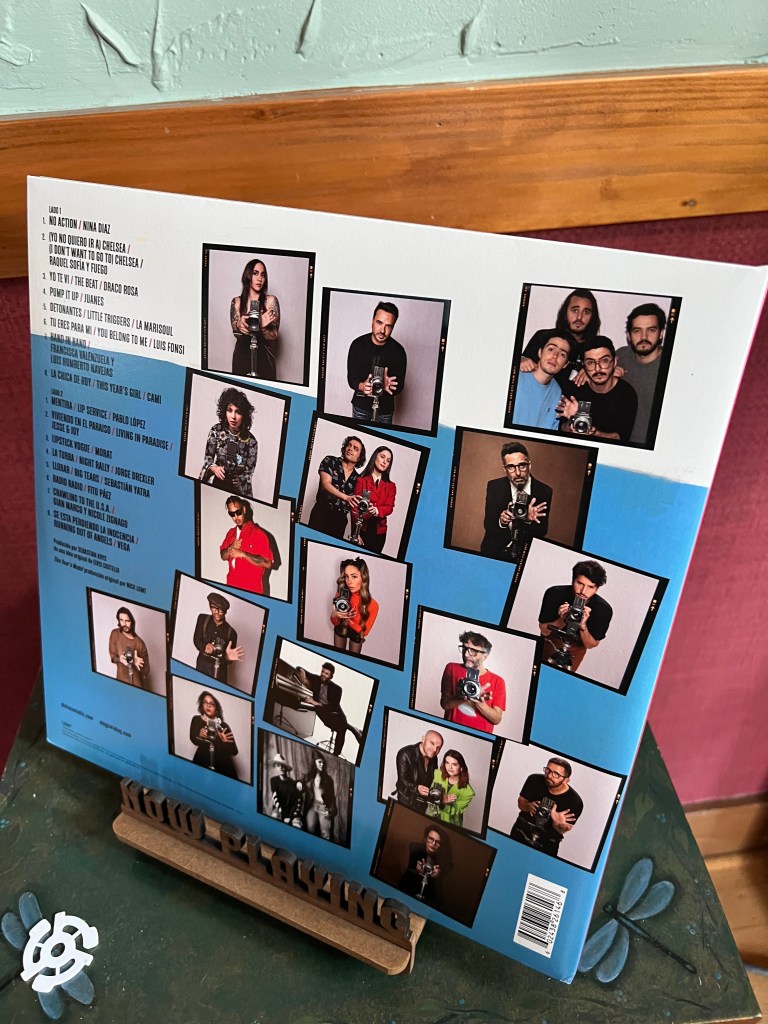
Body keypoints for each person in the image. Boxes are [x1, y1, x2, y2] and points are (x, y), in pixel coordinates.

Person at [480, 441, 552, 560]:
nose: (518, 473)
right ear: (505, 469)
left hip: (524, 554)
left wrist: (528, 521)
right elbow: (488, 525)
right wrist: (502, 522)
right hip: (494, 552)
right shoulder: (494, 486)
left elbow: (542, 532)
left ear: (529, 466)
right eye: (511, 467)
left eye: (522, 466)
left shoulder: (544, 491)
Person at [539, 559, 613, 673]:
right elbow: (544, 631)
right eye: (580, 584)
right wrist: (562, 619)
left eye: (590, 587)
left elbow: (590, 645)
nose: (583, 591)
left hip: (577, 648)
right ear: (573, 580)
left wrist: (583, 626)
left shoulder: (603, 609)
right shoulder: (555, 593)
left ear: (597, 588)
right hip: (551, 640)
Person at [559, 337, 638, 442]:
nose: (598, 369)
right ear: (584, 365)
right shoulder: (575, 388)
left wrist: (595, 433)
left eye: (604, 361)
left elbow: (620, 437)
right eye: (590, 362)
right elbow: (561, 428)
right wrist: (571, 424)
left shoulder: (627, 394)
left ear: (614, 362)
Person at [615, 302, 667, 445]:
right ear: (628, 335)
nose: (644, 337)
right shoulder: (621, 356)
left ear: (661, 333)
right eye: (637, 331)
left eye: (651, 330)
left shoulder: (672, 364)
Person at [347, 301, 407, 424]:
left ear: (393, 327)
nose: (382, 330)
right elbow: (351, 378)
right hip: (361, 406)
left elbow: (400, 386)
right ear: (372, 321)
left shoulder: (399, 352)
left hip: (385, 410)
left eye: (388, 326)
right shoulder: (357, 345)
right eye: (379, 323)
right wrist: (362, 386)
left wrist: (389, 386)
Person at [510, 758, 583, 857]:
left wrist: (557, 823)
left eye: (556, 774)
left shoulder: (575, 801)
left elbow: (564, 829)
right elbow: (520, 803)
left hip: (547, 842)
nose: (549, 776)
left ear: (566, 780)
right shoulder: (534, 779)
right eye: (548, 770)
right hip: (521, 831)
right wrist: (528, 806)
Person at [520, 288, 600, 377]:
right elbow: (523, 365)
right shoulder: (543, 337)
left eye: (586, 312)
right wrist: (520, 360)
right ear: (565, 313)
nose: (579, 317)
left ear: (592, 317)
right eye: (575, 310)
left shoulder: (595, 350)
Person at [440, 631, 506, 734]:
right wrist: (461, 696)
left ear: (485, 656)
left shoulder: (498, 681)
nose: (466, 654)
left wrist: (480, 703)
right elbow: (444, 704)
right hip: (451, 731)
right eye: (464, 648)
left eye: (473, 651)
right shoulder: (451, 668)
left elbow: (497, 719)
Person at [199, 387, 258, 497]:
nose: (233, 417)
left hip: (239, 491)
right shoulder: (216, 431)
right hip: (217, 484)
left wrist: (241, 479)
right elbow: (208, 459)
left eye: (238, 412)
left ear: (244, 415)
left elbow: (249, 472)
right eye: (229, 410)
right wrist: (214, 468)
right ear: (224, 411)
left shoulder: (251, 441)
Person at [295, 661, 362, 758]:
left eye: (326, 673)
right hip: (324, 714)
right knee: (343, 726)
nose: (323, 674)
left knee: (342, 727)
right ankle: (355, 730)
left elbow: (333, 707)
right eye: (322, 671)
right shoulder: (316, 679)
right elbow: (300, 667)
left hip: (337, 714)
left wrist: (316, 703)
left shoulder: (337, 689)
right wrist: (301, 670)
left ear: (331, 676)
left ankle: (335, 755)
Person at [230, 257, 280, 379]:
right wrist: (239, 325)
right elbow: (236, 333)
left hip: (264, 358)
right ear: (247, 275)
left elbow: (273, 335)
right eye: (255, 273)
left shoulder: (271, 301)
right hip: (242, 357)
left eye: (263, 275)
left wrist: (262, 327)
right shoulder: (237, 302)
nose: (259, 279)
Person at [307, 436, 366, 540]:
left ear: (360, 457)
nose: (350, 449)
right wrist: (346, 497)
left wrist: (357, 533)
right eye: (348, 445)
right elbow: (326, 484)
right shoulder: (330, 461)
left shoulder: (358, 479)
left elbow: (355, 508)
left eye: (355, 448)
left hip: (339, 522)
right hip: (321, 513)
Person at [513, 332, 572, 431]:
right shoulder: (517, 374)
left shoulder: (557, 392)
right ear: (540, 352)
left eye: (562, 354)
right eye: (551, 349)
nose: (555, 356)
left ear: (565, 364)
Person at [219, 496, 274, 595]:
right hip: (231, 587)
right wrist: (230, 548)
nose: (236, 517)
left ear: (244, 509)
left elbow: (267, 563)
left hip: (252, 590)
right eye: (232, 514)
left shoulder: (259, 534)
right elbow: (223, 556)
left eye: (238, 512)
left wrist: (243, 554)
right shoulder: (231, 533)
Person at [350, 446, 397, 554]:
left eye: (388, 460)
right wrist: (356, 533)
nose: (384, 462)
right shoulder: (361, 480)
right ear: (375, 456)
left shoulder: (391, 486)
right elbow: (354, 508)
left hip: (379, 532)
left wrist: (377, 510)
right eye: (382, 457)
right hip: (362, 529)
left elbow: (389, 507)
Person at [330, 557, 379, 656]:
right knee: (337, 656)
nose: (349, 581)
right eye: (346, 576)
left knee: (352, 659)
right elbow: (334, 622)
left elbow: (364, 632)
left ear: (363, 578)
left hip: (356, 634)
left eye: (354, 577)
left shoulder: (373, 604)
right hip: (341, 629)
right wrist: (334, 614)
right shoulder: (341, 594)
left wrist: (348, 620)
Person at [193, 592, 244, 684]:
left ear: (225, 611)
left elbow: (228, 660)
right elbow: (196, 640)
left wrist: (228, 658)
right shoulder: (202, 619)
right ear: (210, 607)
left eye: (221, 610)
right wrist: (205, 647)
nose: (218, 613)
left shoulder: (232, 633)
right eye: (214, 609)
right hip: (202, 667)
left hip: (220, 674)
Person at [189, 691, 239, 778]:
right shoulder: (196, 719)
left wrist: (224, 742)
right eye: (205, 702)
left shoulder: (223, 726)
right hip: (202, 764)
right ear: (202, 705)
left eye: (212, 703)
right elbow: (193, 739)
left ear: (216, 709)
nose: (208, 705)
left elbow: (234, 752)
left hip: (222, 768)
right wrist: (200, 736)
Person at [398, 824, 451, 905]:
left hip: (429, 896)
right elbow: (405, 880)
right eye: (431, 839)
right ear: (426, 838)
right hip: (409, 890)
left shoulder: (444, 860)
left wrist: (437, 877)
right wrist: (415, 870)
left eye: (438, 842)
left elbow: (437, 895)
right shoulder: (415, 849)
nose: (433, 843)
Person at [394, 729, 444, 813]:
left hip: (422, 803)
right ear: (423, 739)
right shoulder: (405, 753)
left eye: (438, 748)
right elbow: (402, 781)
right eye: (432, 743)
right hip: (406, 801)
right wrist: (416, 788)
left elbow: (432, 779)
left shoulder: (434, 757)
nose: (435, 749)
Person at [430, 750, 475, 829]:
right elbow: (430, 794)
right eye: (447, 763)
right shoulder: (438, 774)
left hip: (450, 824)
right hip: (432, 817)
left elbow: (456, 811)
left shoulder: (468, 792)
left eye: (454, 764)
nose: (450, 767)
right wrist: (439, 800)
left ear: (461, 767)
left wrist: (443, 803)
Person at [297, 753, 337, 841]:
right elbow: (300, 780)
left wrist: (330, 810)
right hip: (312, 806)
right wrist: (299, 782)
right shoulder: (309, 777)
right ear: (314, 763)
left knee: (325, 834)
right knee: (309, 829)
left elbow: (332, 798)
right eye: (319, 762)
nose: (322, 764)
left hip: (323, 806)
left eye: (323, 762)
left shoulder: (328, 780)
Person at [108, 606, 150, 688]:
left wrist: (136, 663)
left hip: (137, 686)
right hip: (121, 683)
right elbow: (113, 657)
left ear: (132, 622)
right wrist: (120, 659)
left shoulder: (140, 643)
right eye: (121, 620)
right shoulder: (115, 634)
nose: (124, 624)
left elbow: (146, 671)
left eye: (127, 621)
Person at [268, 753, 303, 828]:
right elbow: (276, 798)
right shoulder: (273, 781)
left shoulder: (293, 783)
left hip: (291, 811)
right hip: (279, 808)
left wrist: (290, 817)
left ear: (286, 768)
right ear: (275, 767)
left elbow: (295, 803)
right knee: (274, 817)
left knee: (297, 825)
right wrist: (283, 815)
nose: (281, 767)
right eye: (278, 765)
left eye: (283, 765)